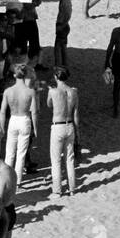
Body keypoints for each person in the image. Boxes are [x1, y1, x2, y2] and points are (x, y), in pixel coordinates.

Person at [0, 64, 37, 184]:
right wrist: (35, 128)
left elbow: (2, 111)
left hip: (13, 119)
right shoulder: (30, 91)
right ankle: (18, 181)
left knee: (9, 152)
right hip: (24, 119)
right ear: (25, 75)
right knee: (21, 153)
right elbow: (34, 112)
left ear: (15, 75)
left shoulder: (8, 91)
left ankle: (7, 179)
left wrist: (1, 126)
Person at [47, 67, 79, 197]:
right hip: (70, 125)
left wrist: (49, 92)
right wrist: (78, 133)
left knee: (56, 161)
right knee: (69, 159)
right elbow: (76, 114)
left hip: (58, 126)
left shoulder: (53, 91)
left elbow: (49, 105)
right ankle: (72, 188)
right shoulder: (74, 92)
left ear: (56, 77)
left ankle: (57, 190)